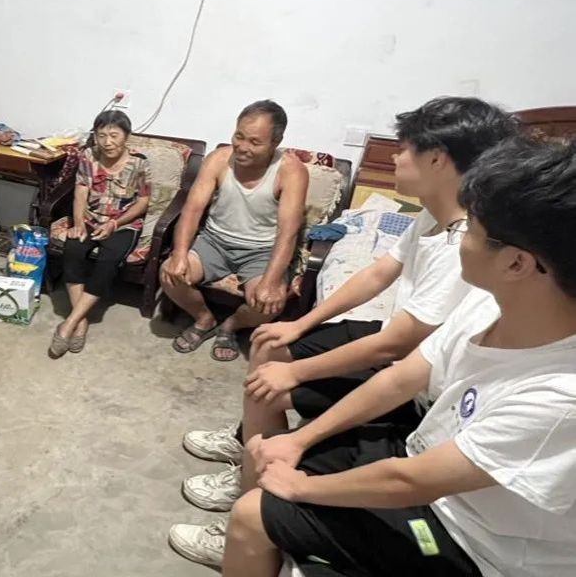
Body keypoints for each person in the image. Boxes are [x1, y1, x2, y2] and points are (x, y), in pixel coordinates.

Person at [215, 136, 576, 577]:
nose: (458, 237)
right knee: (269, 454)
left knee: (254, 513)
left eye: (470, 230)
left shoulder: (561, 396)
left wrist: (302, 487)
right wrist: (297, 441)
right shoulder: (489, 303)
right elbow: (401, 378)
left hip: (473, 543)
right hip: (419, 459)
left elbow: (413, 481)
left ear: (517, 264)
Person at [175, 97, 518, 519]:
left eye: (404, 149)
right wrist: (301, 323)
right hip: (397, 341)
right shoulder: (432, 215)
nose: (394, 157)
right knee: (269, 342)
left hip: (415, 372)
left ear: (436, 160)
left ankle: (249, 492)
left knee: (271, 380)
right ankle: (246, 443)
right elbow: (377, 274)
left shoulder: (461, 244)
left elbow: (397, 345)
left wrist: (297, 371)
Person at [160, 101, 308, 362]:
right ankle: (204, 319)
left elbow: (288, 233)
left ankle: (231, 325)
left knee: (268, 303)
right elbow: (192, 210)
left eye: (254, 142)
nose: (242, 146)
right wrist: (179, 254)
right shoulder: (218, 160)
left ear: (276, 142)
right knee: (169, 274)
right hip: (214, 242)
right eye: (239, 136)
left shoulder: (291, 171)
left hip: (261, 251)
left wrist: (271, 281)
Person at [49, 110, 151, 358]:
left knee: (109, 259)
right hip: (91, 218)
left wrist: (115, 224)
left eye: (114, 135)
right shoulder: (89, 156)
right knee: (73, 249)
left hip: (123, 223)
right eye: (101, 135)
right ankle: (81, 321)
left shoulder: (139, 162)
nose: (107, 142)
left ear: (126, 136)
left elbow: (143, 201)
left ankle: (69, 323)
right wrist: (78, 222)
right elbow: (81, 191)